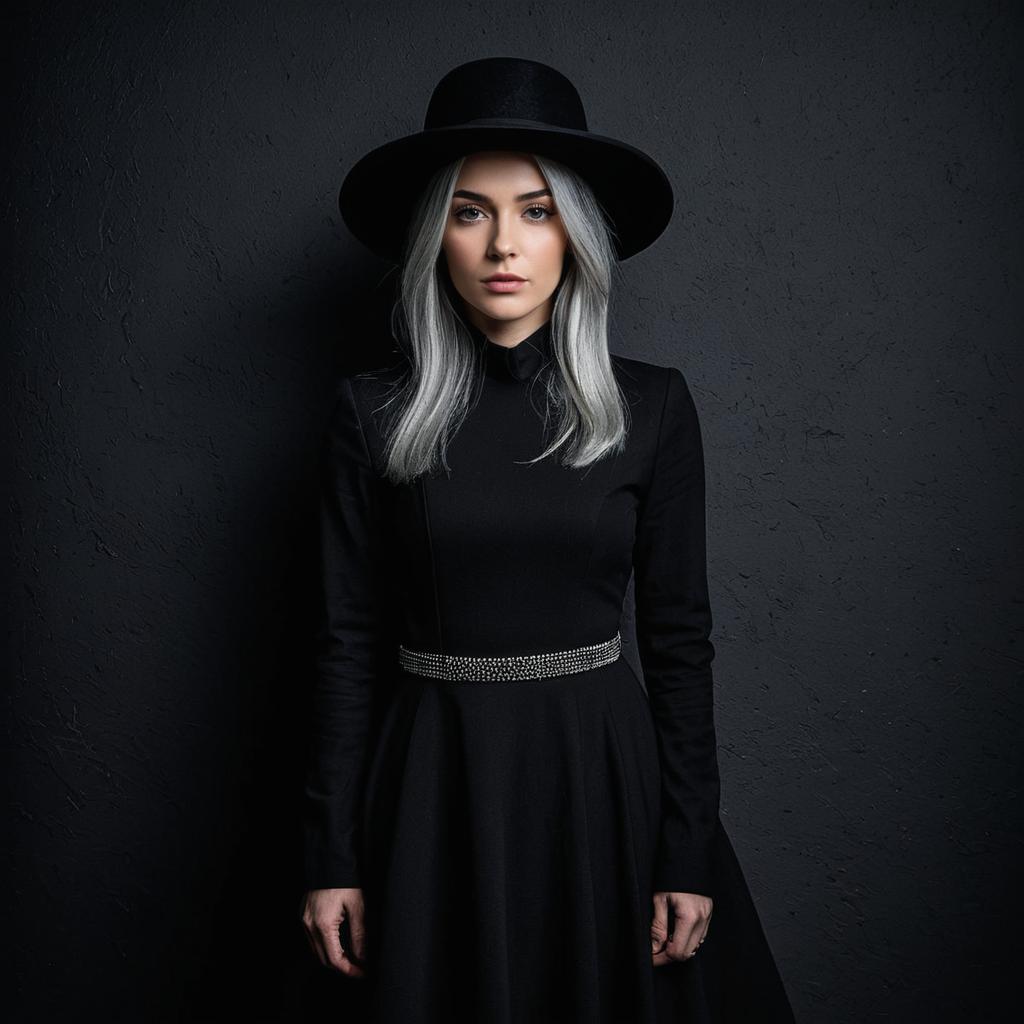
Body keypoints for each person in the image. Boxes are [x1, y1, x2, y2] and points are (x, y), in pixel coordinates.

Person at [299, 57, 796, 1024]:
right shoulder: (372, 413)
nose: (503, 245)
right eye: (470, 211)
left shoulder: (651, 408)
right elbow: (343, 645)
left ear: (577, 233)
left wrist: (687, 844)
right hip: (432, 790)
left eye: (536, 210)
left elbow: (682, 641)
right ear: (432, 235)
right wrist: (331, 854)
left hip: (601, 782)